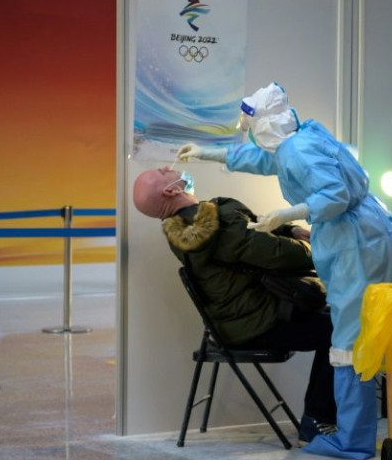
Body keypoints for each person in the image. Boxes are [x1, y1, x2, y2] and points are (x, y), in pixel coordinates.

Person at [177, 82, 392, 460]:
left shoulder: (297, 151)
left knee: (350, 339)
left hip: (354, 243)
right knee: (372, 326)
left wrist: (288, 214)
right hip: (367, 233)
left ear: (263, 123)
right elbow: (261, 159)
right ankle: (375, 425)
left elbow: (334, 196)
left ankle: (353, 439)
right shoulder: (302, 135)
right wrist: (207, 154)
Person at [132, 166, 337, 445]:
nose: (168, 166)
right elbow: (275, 254)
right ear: (171, 190)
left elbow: (252, 229)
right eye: (161, 171)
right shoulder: (213, 227)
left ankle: (321, 416)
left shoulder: (200, 223)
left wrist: (291, 228)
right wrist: (321, 251)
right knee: (341, 330)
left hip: (241, 320)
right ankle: (316, 420)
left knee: (336, 319)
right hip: (255, 324)